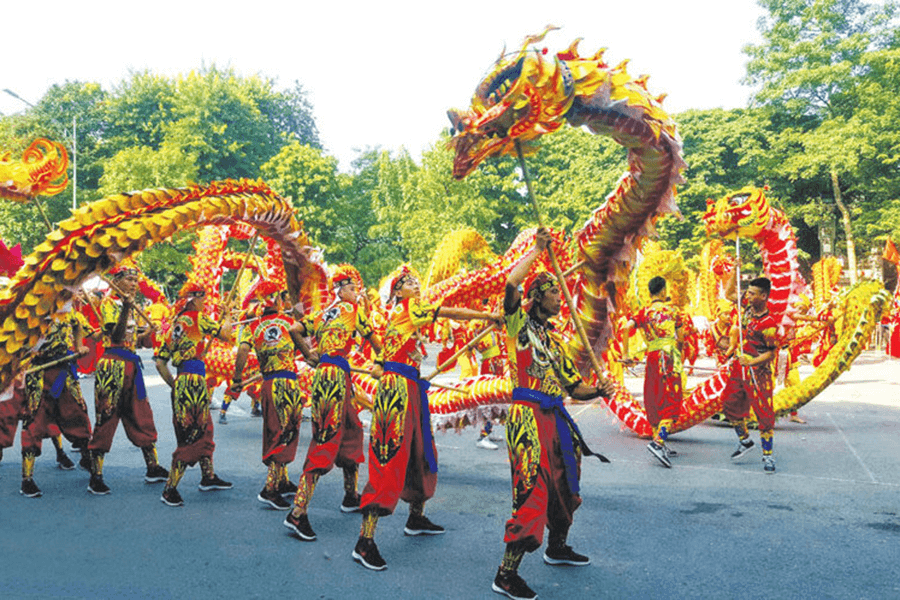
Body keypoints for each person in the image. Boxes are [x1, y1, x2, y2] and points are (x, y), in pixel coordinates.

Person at [491, 229, 614, 600]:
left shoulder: (555, 339)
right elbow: (511, 282)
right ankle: (505, 573)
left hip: (556, 418)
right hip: (527, 416)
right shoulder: (517, 324)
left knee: (565, 486)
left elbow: (574, 388)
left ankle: (556, 547)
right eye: (554, 291)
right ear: (536, 297)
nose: (560, 296)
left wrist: (599, 390)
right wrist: (538, 251)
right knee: (532, 492)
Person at [351, 265, 499, 571]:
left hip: (409, 390)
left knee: (421, 453)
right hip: (398, 394)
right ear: (397, 291)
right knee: (389, 459)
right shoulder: (411, 308)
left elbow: (379, 366)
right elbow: (449, 311)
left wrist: (407, 364)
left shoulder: (398, 321)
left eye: (416, 281)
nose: (416, 285)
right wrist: (489, 318)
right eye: (408, 282)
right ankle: (365, 542)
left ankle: (416, 516)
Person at [283, 265, 382, 541]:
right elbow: (377, 343)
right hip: (336, 378)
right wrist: (385, 363)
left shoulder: (324, 313)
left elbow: (294, 329)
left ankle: (350, 496)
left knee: (352, 431)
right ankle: (297, 512)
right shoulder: (354, 312)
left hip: (329, 376)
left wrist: (308, 354)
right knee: (324, 443)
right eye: (352, 289)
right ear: (341, 289)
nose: (356, 293)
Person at [228, 280, 317, 510]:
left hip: (267, 384)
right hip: (286, 383)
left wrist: (238, 379)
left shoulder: (253, 326)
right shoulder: (288, 322)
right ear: (278, 300)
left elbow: (243, 351)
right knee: (286, 432)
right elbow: (306, 347)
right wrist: (310, 354)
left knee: (274, 430)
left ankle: (283, 480)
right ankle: (270, 489)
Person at [87, 265, 168, 495]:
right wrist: (125, 308)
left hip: (132, 365)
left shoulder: (129, 306)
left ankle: (152, 467)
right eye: (129, 279)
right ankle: (96, 476)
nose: (134, 284)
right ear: (117, 281)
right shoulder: (111, 303)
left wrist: (148, 332)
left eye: (136, 280)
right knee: (106, 416)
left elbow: (136, 342)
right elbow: (116, 336)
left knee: (142, 414)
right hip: (112, 365)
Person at [154, 284, 234, 507]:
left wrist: (175, 384)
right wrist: (226, 315)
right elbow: (226, 334)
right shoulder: (198, 318)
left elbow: (160, 362)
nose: (206, 302)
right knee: (193, 435)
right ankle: (170, 488)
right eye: (204, 298)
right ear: (195, 299)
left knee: (203, 428)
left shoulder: (172, 327)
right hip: (195, 383)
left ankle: (208, 477)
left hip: (182, 382)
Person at [19, 307, 94, 497]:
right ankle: (27, 479)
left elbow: (79, 326)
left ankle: (87, 458)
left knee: (79, 413)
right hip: (38, 372)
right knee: (34, 420)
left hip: (64, 371)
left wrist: (79, 346)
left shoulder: (68, 309)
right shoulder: (30, 309)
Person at [622, 276, 685, 467]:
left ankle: (660, 441)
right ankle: (658, 443)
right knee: (671, 401)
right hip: (668, 359)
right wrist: (677, 356)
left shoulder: (644, 312)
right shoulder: (673, 311)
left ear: (650, 292)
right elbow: (680, 338)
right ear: (663, 291)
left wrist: (626, 354)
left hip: (652, 358)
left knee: (654, 397)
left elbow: (626, 327)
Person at [723, 277, 778, 474]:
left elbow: (771, 353)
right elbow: (728, 294)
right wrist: (732, 270)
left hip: (759, 372)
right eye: (748, 292)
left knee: (764, 414)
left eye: (753, 293)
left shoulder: (769, 323)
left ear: (764, 296)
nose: (748, 295)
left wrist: (752, 361)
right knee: (729, 403)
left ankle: (768, 455)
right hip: (740, 368)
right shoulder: (746, 308)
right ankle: (745, 440)